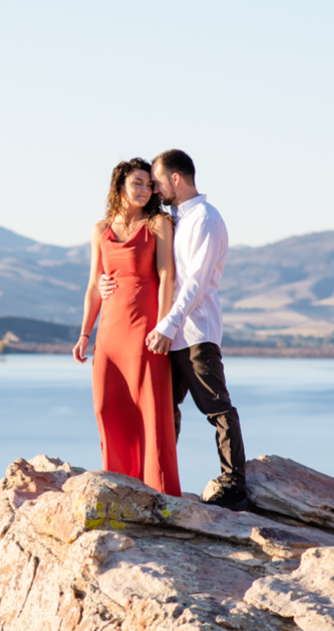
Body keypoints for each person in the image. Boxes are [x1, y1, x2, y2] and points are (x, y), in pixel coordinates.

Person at [100, 148, 250, 511]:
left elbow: (194, 284)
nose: (154, 190)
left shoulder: (205, 221)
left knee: (216, 408)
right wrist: (108, 280)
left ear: (176, 180)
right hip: (171, 335)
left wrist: (166, 324)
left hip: (196, 334)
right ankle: (155, 480)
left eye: (157, 182)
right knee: (165, 410)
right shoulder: (174, 219)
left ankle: (234, 484)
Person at [73, 159, 181, 496]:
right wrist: (84, 333)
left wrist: (164, 325)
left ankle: (158, 492)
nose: (145, 190)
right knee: (108, 407)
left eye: (149, 185)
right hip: (110, 332)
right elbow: (94, 285)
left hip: (145, 328)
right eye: (137, 183)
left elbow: (167, 275)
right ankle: (120, 488)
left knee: (149, 409)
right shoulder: (100, 229)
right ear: (120, 184)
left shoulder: (158, 223)